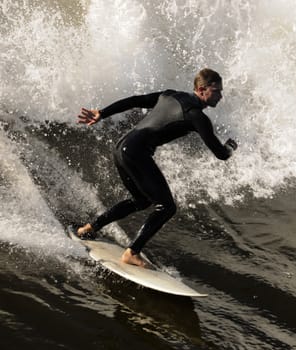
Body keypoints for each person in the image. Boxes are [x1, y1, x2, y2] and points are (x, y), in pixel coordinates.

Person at [75, 68, 237, 267]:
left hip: (121, 148)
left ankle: (89, 228)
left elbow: (134, 100)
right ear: (202, 90)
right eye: (217, 91)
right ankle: (132, 252)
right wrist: (230, 147)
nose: (220, 96)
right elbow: (221, 154)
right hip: (136, 153)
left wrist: (102, 113)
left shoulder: (170, 95)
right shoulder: (196, 116)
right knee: (167, 207)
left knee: (141, 200)